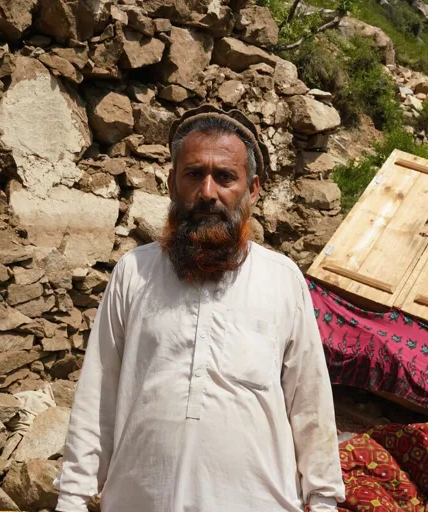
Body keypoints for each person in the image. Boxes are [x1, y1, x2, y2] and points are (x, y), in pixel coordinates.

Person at [55, 106, 345, 511]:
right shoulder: (133, 272)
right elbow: (97, 396)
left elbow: (310, 403)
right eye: (194, 174)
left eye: (225, 177)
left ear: (253, 189)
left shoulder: (282, 280)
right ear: (173, 183)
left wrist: (325, 500)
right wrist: (72, 498)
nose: (208, 192)